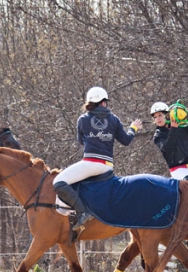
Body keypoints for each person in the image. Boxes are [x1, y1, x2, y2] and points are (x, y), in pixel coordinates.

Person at [53, 86, 142, 232]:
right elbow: (126, 140)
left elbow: (81, 141)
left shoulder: (83, 119)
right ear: (103, 103)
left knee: (58, 182)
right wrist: (133, 128)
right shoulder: (114, 119)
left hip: (90, 163)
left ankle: (82, 211)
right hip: (107, 166)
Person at [152, 101, 188, 181]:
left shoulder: (180, 124)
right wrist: (174, 129)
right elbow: (168, 149)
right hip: (179, 169)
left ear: (167, 115)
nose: (158, 118)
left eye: (160, 115)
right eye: (155, 117)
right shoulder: (158, 135)